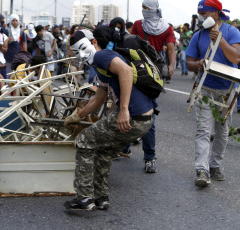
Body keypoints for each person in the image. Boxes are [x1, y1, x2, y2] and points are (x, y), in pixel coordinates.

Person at [63, 27, 155, 211]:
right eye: (76, 52)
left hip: (133, 116)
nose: (81, 55)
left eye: (83, 47)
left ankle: (84, 197)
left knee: (83, 141)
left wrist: (123, 110)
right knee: (103, 151)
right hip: (145, 119)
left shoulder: (102, 56)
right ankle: (100, 198)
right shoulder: (100, 67)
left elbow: (127, 71)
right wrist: (75, 116)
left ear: (94, 42)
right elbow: (98, 99)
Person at [186, 0, 240, 187]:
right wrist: (198, 64)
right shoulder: (198, 35)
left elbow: (236, 57)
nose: (203, 18)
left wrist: (221, 39)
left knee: (222, 131)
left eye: (206, 14)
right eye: (200, 14)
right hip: (205, 89)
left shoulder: (232, 32)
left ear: (217, 14)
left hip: (227, 90)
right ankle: (202, 170)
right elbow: (189, 63)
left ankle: (215, 165)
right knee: (203, 130)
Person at [120, 0, 175, 173]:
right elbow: (171, 49)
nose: (144, 11)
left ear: (153, 9)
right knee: (139, 110)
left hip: (139, 70)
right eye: (142, 8)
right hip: (154, 72)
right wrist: (170, 66)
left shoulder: (141, 25)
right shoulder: (164, 27)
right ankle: (131, 150)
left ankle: (146, 155)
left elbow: (130, 44)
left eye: (146, 8)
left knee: (137, 110)